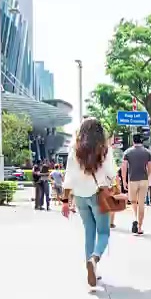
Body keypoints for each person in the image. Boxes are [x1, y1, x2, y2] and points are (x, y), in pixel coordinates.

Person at [61, 117, 118, 287]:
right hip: (98, 194)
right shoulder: (104, 149)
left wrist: (65, 200)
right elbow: (111, 173)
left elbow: (68, 177)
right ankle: (94, 259)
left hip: (80, 196)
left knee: (89, 232)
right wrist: (114, 187)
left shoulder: (74, 150)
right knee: (104, 232)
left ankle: (92, 268)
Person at [122, 134, 151, 235]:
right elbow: (150, 168)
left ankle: (135, 218)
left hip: (132, 180)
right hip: (143, 180)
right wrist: (147, 176)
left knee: (133, 202)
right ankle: (139, 227)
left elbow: (124, 167)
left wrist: (124, 181)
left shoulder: (127, 152)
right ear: (141, 141)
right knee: (141, 203)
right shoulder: (147, 152)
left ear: (133, 141)